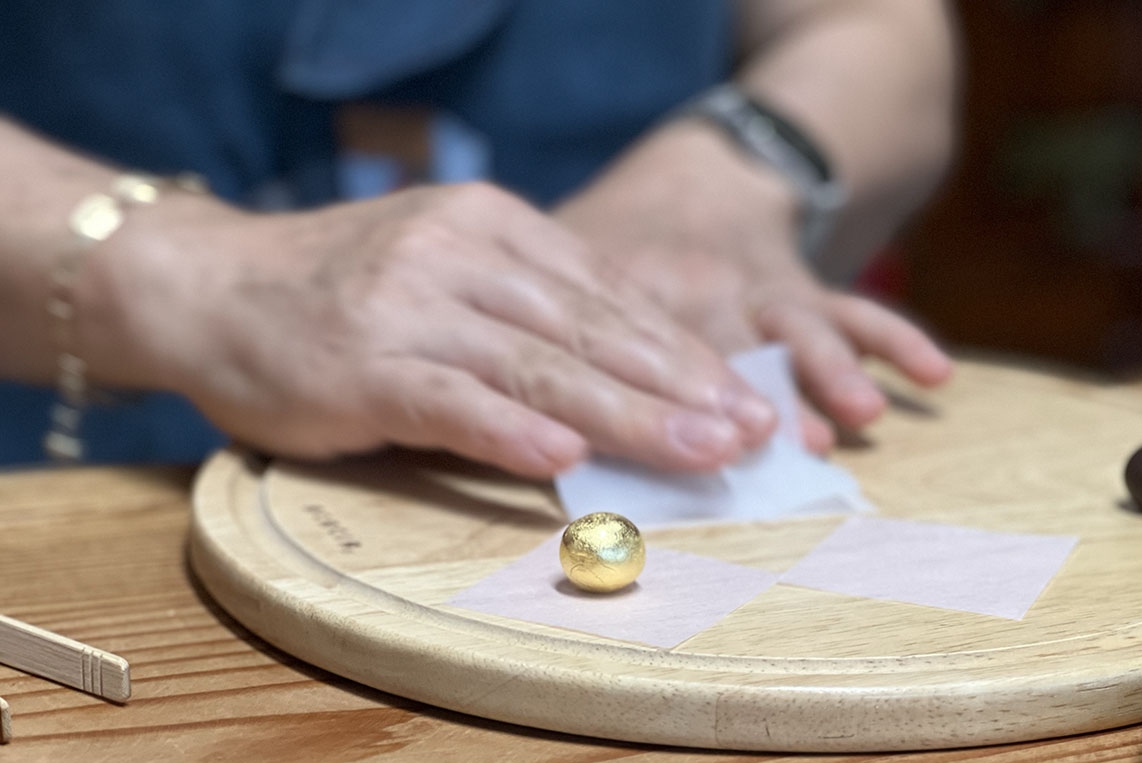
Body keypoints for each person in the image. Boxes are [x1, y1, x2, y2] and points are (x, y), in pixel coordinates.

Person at [0, 0, 957, 475]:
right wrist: (186, 276)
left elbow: (874, 22)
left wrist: (740, 162)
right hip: (90, 476)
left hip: (629, 476)